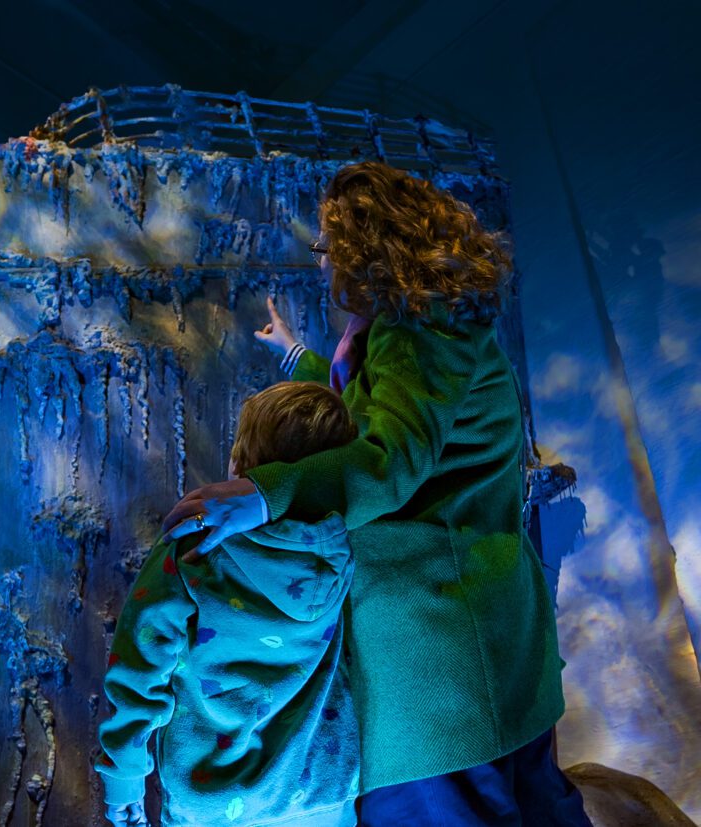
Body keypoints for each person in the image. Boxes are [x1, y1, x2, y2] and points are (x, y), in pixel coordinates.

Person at [163, 161, 592, 826]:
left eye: (330, 247)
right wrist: (302, 358)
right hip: (481, 641)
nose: (326, 264)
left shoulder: (417, 326)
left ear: (368, 245)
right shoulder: (431, 327)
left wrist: (261, 495)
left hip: (436, 665)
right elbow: (379, 417)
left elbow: (389, 457)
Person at [97, 382, 363, 827]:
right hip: (322, 791)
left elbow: (136, 669)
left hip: (213, 799)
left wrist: (124, 776)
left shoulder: (194, 551)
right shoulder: (344, 553)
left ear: (240, 465)